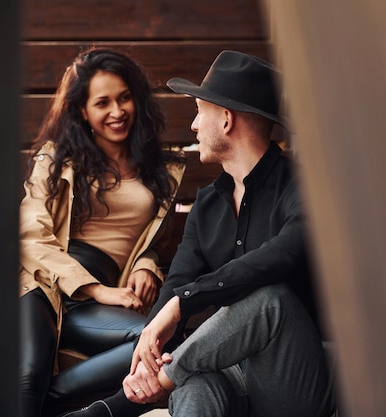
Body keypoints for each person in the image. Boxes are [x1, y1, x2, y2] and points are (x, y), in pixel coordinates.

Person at [60, 50, 336, 417]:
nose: (193, 125)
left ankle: (113, 410)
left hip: (295, 377)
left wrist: (183, 303)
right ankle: (142, 393)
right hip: (236, 374)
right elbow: (177, 284)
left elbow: (281, 256)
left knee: (270, 298)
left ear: (225, 119)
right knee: (196, 382)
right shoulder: (208, 205)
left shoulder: (301, 185)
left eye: (198, 110)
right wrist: (148, 353)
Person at [18, 47, 184, 417]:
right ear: (82, 110)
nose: (116, 111)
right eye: (102, 102)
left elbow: (153, 242)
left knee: (158, 342)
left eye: (124, 98)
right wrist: (97, 289)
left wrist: (147, 265)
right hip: (43, 283)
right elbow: (31, 235)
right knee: (28, 372)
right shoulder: (56, 157)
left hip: (101, 299)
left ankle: (55, 407)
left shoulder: (162, 167)